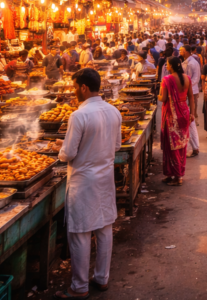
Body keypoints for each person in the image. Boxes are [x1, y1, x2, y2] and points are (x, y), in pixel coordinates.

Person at [55, 68, 122, 299]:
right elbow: (116, 146)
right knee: (104, 228)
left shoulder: (79, 115)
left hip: (83, 181)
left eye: (75, 87)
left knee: (80, 233)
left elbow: (68, 153)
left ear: (83, 88)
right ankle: (102, 279)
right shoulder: (113, 111)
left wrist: (59, 150)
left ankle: (79, 286)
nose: (74, 91)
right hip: (105, 179)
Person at [159, 57, 195, 185]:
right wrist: (192, 113)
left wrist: (158, 93)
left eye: (167, 64)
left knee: (172, 145)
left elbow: (163, 98)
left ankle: (177, 176)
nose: (166, 66)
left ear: (171, 66)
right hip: (184, 112)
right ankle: (171, 174)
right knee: (181, 145)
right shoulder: (187, 78)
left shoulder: (167, 79)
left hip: (171, 115)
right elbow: (191, 97)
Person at [180, 45, 201, 153]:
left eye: (182, 50)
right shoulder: (185, 62)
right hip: (186, 92)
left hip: (191, 92)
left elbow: (196, 78)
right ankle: (193, 145)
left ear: (187, 52)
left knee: (190, 119)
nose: (180, 52)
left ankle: (194, 146)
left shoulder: (193, 63)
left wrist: (185, 87)